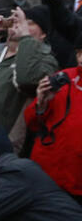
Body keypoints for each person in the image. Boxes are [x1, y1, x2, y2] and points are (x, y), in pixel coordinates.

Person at [22, 33, 82, 203]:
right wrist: (42, 102)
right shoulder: (64, 78)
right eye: (80, 52)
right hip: (44, 172)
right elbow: (32, 123)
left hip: (76, 182)